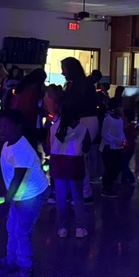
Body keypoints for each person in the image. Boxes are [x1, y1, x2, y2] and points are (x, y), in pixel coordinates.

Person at [0, 109, 49, 277]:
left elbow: (18, 178)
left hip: (31, 196)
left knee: (21, 231)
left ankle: (25, 269)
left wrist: (6, 201)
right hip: (20, 195)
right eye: (0, 126)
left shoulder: (22, 149)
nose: (1, 130)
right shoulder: (8, 144)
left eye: (6, 126)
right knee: (12, 227)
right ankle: (12, 261)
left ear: (18, 127)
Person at [47, 88, 92, 240]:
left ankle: (62, 228)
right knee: (77, 197)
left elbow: (49, 145)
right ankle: (79, 228)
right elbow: (86, 147)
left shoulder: (54, 128)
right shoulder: (82, 129)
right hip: (75, 164)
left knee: (60, 197)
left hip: (58, 163)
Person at [59, 58, 99, 201]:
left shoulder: (79, 85)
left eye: (63, 68)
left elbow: (75, 104)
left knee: (78, 158)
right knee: (78, 157)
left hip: (83, 121)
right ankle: (81, 191)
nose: (62, 72)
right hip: (84, 121)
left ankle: (84, 192)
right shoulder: (81, 84)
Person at [10, 69, 46, 147]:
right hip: (28, 121)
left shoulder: (22, 87)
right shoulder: (32, 90)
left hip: (20, 119)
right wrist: (41, 112)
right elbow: (30, 107)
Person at [100, 99, 126, 198]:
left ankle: (108, 185)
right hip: (109, 147)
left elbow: (121, 132)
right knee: (110, 168)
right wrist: (117, 141)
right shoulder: (108, 119)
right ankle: (106, 187)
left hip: (117, 147)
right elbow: (104, 134)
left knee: (118, 167)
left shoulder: (119, 119)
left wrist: (124, 140)